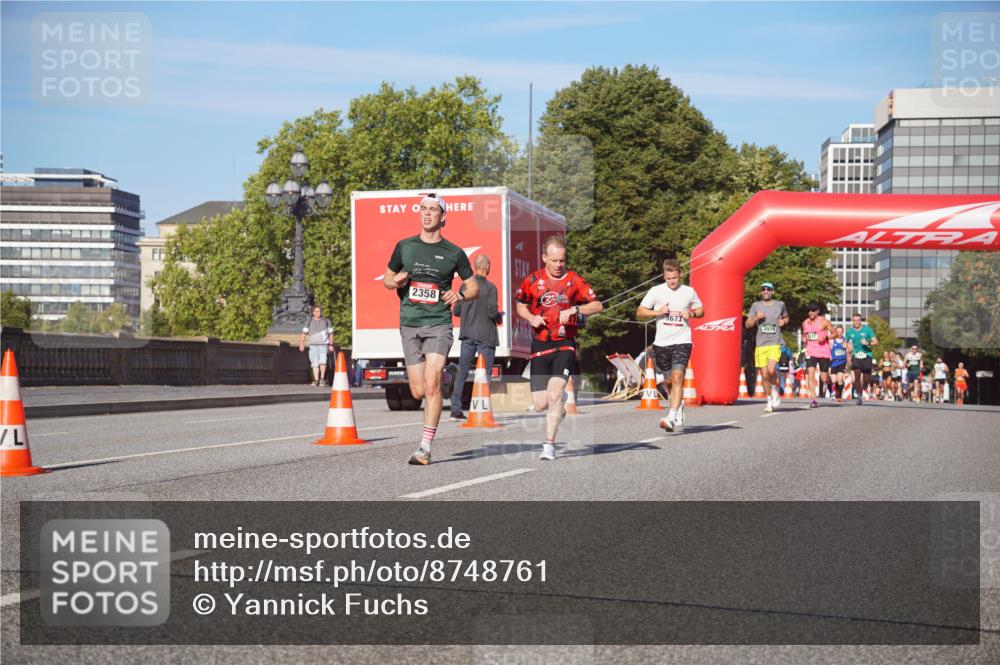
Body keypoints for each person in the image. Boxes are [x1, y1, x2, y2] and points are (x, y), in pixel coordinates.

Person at [382, 193, 478, 466]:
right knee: (417, 391)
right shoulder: (405, 247)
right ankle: (450, 374)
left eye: (433, 209)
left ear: (442, 216)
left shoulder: (454, 253)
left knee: (431, 382)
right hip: (410, 322)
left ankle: (424, 447)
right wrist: (396, 282)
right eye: (423, 208)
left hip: (438, 323)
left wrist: (459, 295)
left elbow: (473, 286)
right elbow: (387, 278)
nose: (426, 213)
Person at [516, 236, 602, 460]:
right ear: (544, 258)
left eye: (562, 260)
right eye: (554, 260)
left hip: (564, 344)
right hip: (540, 344)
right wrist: (531, 317)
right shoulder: (532, 279)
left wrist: (575, 310)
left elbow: (597, 305)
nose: (558, 264)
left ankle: (548, 445)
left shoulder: (574, 280)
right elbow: (520, 305)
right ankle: (558, 408)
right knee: (540, 404)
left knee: (554, 394)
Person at [636, 258, 704, 433]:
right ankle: (678, 404)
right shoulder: (656, 291)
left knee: (678, 376)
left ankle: (671, 417)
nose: (672, 281)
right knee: (668, 381)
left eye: (674, 278)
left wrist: (691, 314)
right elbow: (640, 311)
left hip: (682, 341)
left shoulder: (688, 292)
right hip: (661, 343)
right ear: (664, 276)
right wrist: (657, 312)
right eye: (668, 278)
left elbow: (701, 310)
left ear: (680, 274)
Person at [448, 254, 502, 422]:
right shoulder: (491, 288)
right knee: (484, 375)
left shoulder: (465, 286)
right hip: (486, 335)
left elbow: (456, 311)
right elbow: (492, 312)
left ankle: (455, 410)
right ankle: (481, 409)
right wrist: (499, 317)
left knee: (462, 372)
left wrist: (468, 313)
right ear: (487, 267)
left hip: (467, 335)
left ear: (475, 267)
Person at [746, 282, 789, 413]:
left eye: (768, 289)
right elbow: (748, 324)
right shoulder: (756, 305)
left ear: (772, 292)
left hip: (775, 343)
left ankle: (775, 389)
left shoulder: (780, 304)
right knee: (764, 376)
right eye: (763, 289)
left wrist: (784, 321)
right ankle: (769, 400)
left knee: (771, 371)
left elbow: (787, 318)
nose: (766, 291)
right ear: (761, 292)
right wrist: (756, 317)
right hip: (761, 345)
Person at [801, 303, 834, 408]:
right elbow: (804, 335)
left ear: (818, 311)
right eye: (809, 310)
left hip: (823, 352)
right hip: (811, 352)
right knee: (810, 375)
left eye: (813, 310)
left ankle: (830, 384)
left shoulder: (824, 321)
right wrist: (804, 339)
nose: (811, 312)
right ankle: (813, 400)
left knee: (823, 378)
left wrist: (826, 337)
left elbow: (835, 333)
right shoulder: (805, 323)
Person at [843, 313, 879, 406]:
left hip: (867, 355)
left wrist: (867, 343)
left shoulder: (867, 330)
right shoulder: (849, 332)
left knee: (866, 379)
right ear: (852, 321)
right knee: (857, 376)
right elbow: (844, 342)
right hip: (856, 356)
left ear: (861, 321)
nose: (856, 322)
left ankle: (864, 388)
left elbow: (876, 342)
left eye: (858, 320)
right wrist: (846, 346)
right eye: (854, 320)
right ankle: (859, 396)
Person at [299, 306, 334, 386]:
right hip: (313, 345)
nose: (319, 313)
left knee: (323, 361)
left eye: (320, 311)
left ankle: (322, 379)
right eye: (317, 311)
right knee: (314, 363)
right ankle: (316, 379)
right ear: (313, 313)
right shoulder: (309, 321)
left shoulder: (326, 321)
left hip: (323, 345)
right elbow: (304, 333)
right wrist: (302, 344)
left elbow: (331, 333)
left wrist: (331, 344)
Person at [829, 326, 848, 401]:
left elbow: (848, 351)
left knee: (840, 379)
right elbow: (829, 350)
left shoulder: (845, 340)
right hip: (833, 362)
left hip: (842, 362)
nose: (839, 333)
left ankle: (839, 396)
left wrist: (847, 348)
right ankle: (835, 391)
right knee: (834, 380)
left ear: (843, 332)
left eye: (841, 332)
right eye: (838, 332)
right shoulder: (832, 340)